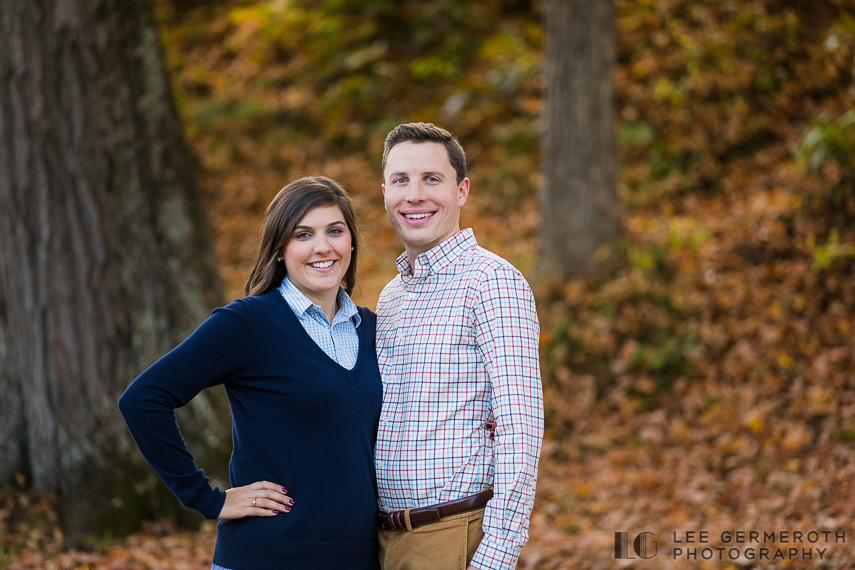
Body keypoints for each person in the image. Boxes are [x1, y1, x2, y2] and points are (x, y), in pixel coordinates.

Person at [118, 176, 382, 570]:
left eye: (335, 231)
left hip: (359, 558)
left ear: (352, 242)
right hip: (267, 556)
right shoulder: (248, 323)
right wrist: (209, 499)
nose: (322, 246)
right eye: (303, 235)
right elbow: (143, 400)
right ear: (279, 249)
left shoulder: (374, 329)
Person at [374, 122, 544, 570]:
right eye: (400, 180)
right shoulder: (392, 296)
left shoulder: (491, 283)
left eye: (432, 179)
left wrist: (495, 556)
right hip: (385, 539)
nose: (414, 195)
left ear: (461, 190)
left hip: (452, 536)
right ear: (385, 192)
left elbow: (520, 430)